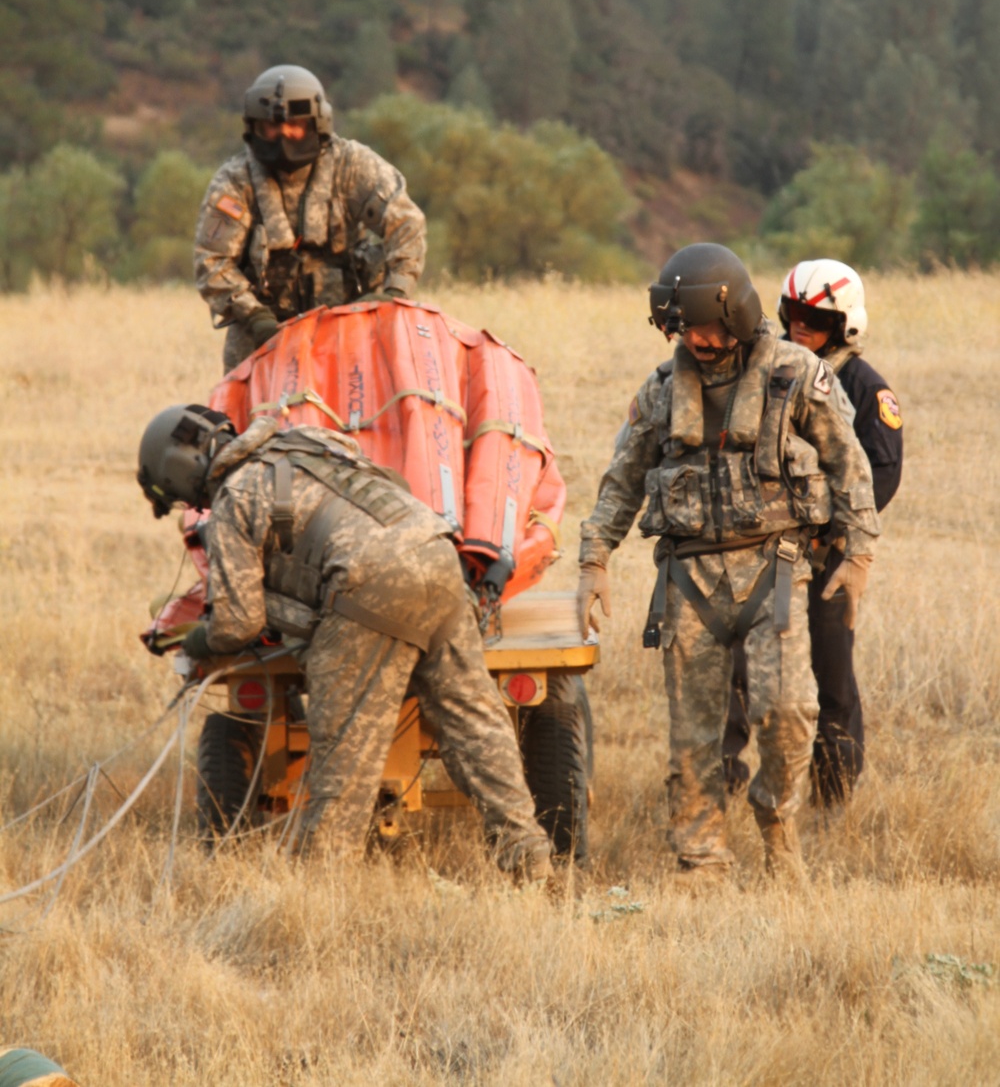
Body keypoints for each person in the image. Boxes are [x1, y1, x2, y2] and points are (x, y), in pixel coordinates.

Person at [137, 404, 552, 878]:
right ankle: (529, 855)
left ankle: (321, 889)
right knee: (475, 724)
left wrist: (196, 642)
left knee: (344, 760)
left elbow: (238, 623)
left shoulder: (235, 498)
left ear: (179, 472)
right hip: (438, 558)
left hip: (367, 590)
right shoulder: (310, 438)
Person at [576, 243, 879, 877]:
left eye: (709, 326)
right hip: (689, 579)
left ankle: (776, 822)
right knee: (694, 736)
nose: (698, 340)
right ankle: (700, 858)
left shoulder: (797, 374)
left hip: (774, 569)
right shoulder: (661, 391)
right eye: (684, 328)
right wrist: (593, 561)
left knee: (788, 712)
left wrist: (859, 553)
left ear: (738, 315)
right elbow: (623, 479)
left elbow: (848, 462)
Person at [723, 260, 902, 805]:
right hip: (760, 555)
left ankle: (831, 796)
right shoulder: (765, 369)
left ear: (845, 325)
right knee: (734, 671)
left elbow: (882, 475)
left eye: (816, 319)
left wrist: (829, 534)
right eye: (794, 315)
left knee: (831, 676)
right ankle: (721, 787)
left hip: (825, 560)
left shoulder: (867, 388)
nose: (801, 327)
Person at [194, 65, 427, 371]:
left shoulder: (352, 165)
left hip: (350, 324)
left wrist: (393, 294)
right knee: (239, 411)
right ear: (255, 128)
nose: (284, 134)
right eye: (271, 127)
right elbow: (212, 262)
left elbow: (406, 223)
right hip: (263, 334)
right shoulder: (235, 181)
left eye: (295, 124)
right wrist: (254, 315)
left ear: (316, 123)